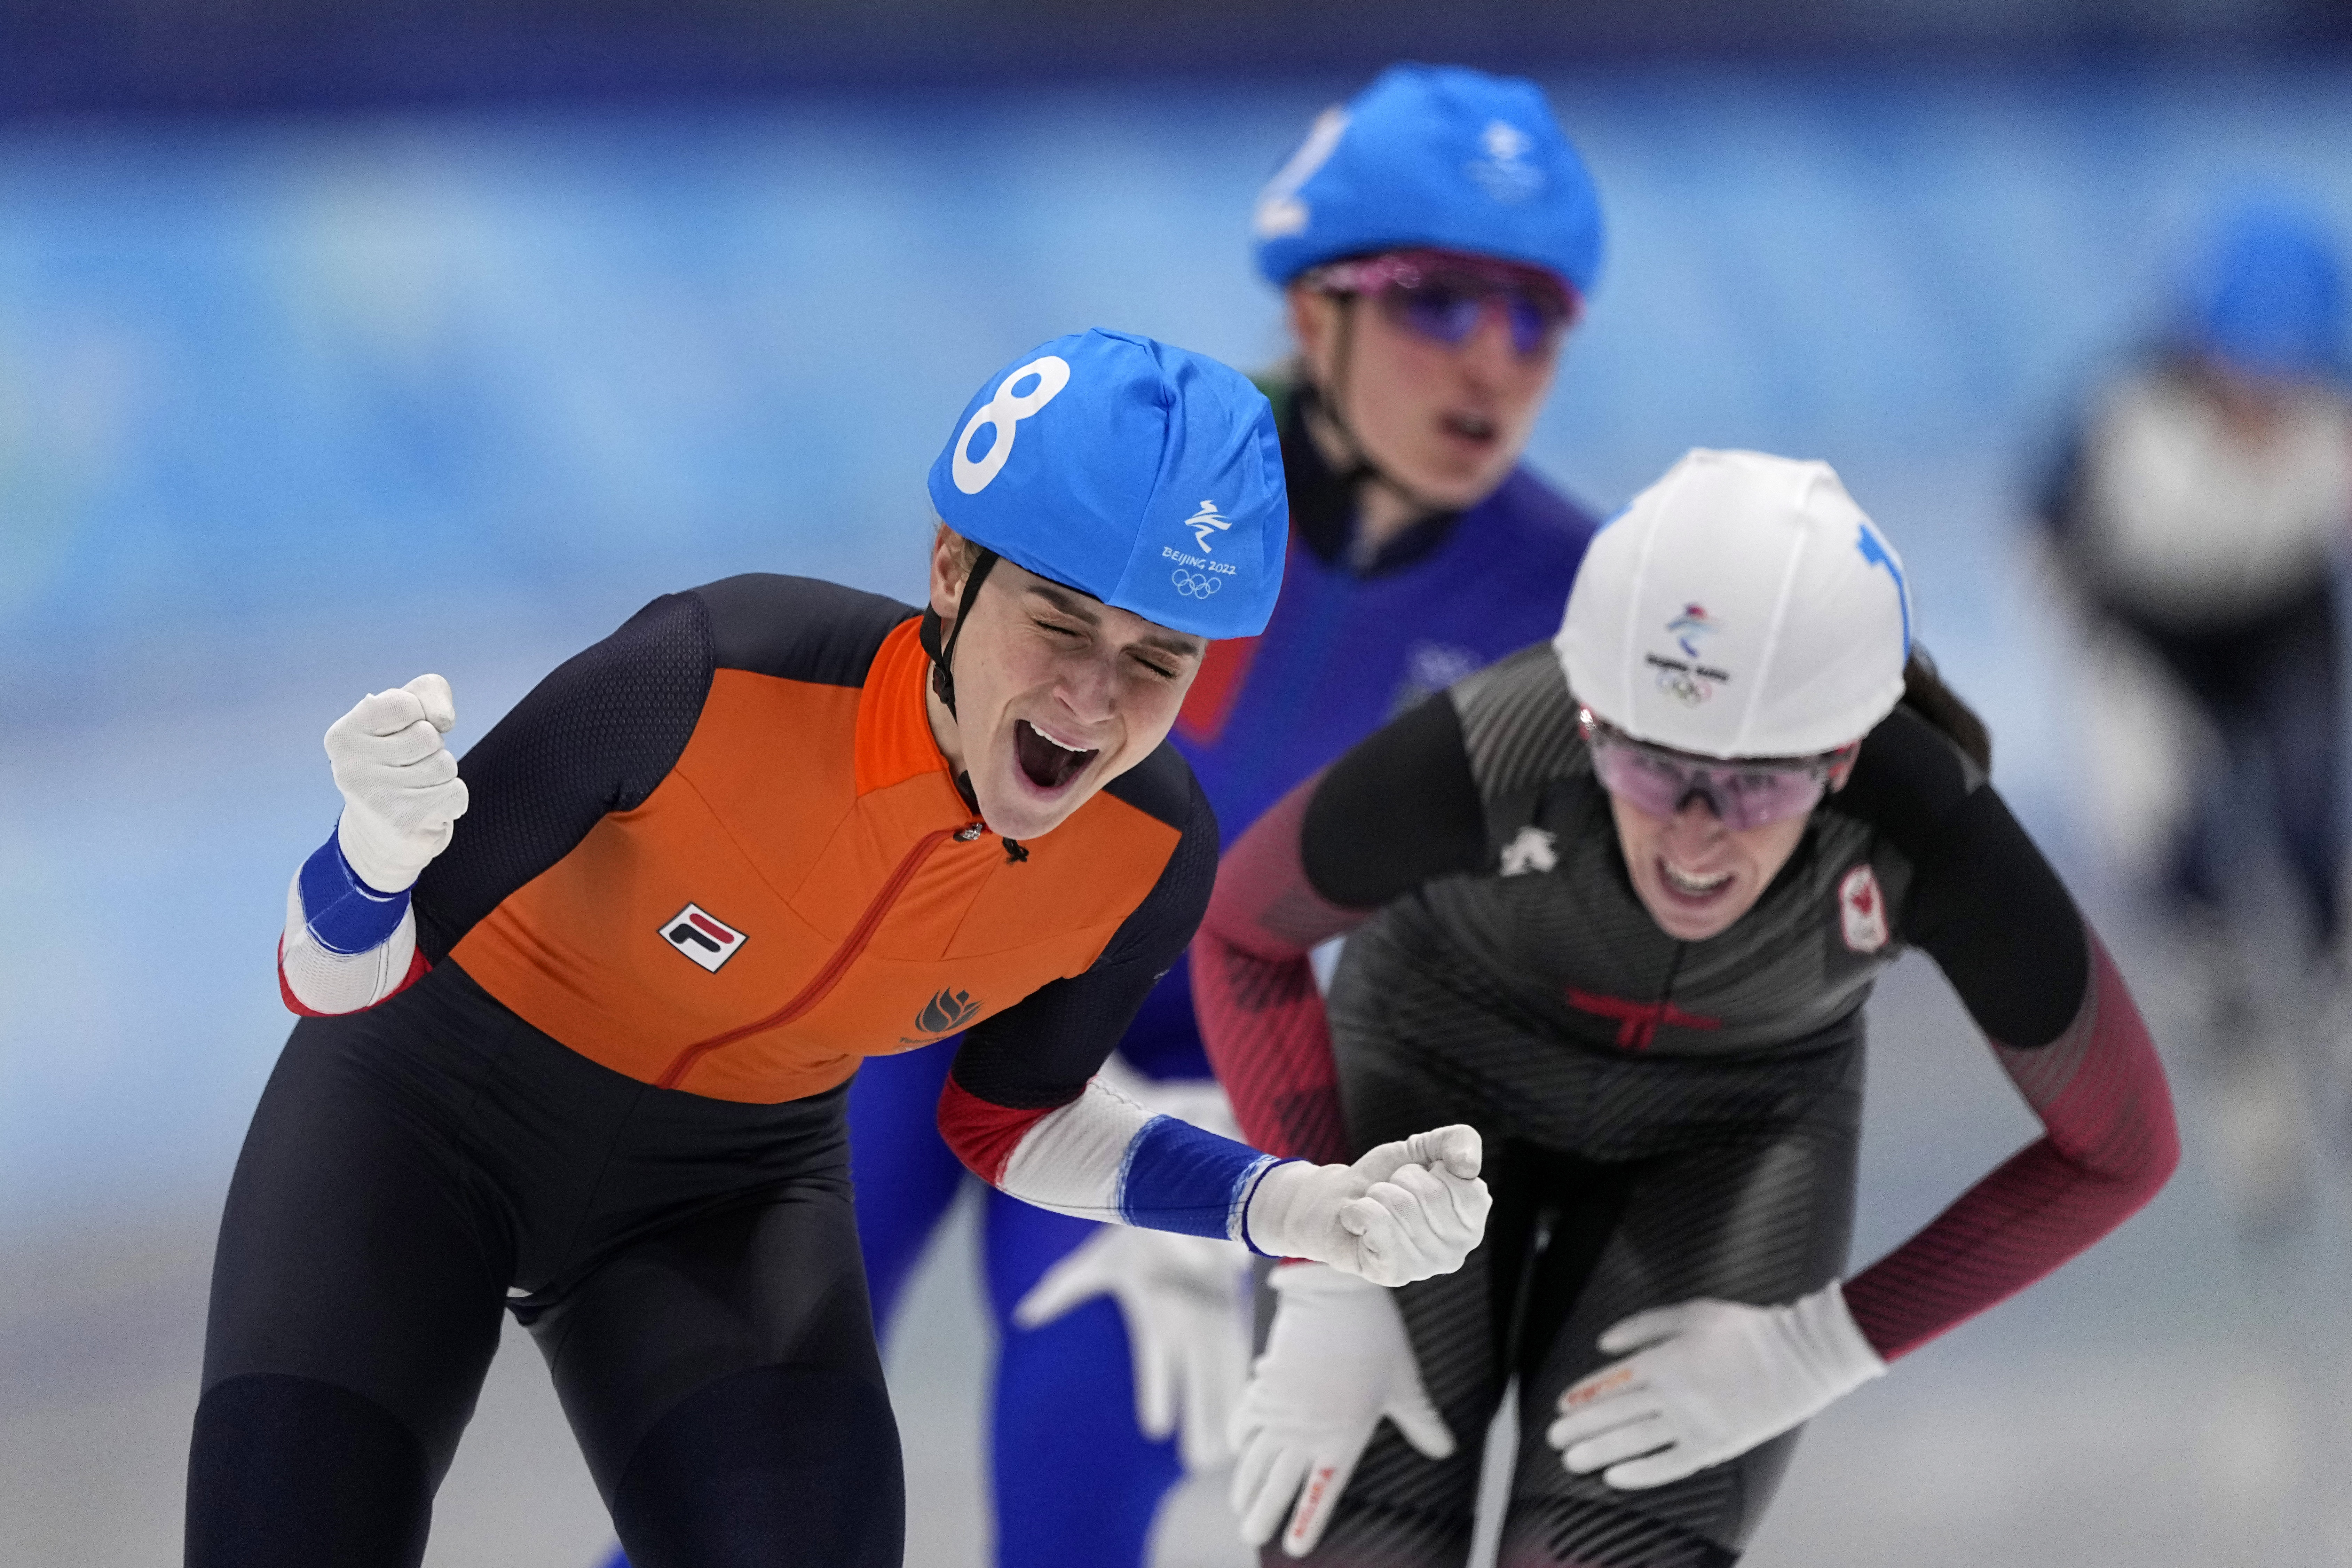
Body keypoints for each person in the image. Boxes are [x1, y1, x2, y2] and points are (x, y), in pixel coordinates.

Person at [189, 329, 1497, 1568]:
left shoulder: (1149, 853)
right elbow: (333, 978)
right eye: (1057, 621)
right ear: (950, 572)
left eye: (1157, 659)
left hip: (723, 1195)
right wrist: (371, 857)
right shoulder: (711, 672)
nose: (1092, 702)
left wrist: (1291, 1206)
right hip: (420, 1127)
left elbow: (1012, 1123)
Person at [839, 64, 1605, 1568]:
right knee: (733, 1500)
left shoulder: (1563, 600)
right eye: (1440, 300)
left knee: (1092, 1467)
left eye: (1538, 315)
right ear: (1316, 307)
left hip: (1186, 1078)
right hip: (918, 993)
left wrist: (1299, 1209)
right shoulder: (1145, 455)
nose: (1495, 360)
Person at [1194, 448, 2180, 1565]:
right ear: (1592, 716)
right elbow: (1239, 931)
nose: (1699, 833)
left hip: (1730, 1139)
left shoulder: (1930, 826)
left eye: (1761, 781)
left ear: (1847, 751)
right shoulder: (1505, 742)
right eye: (1655, 769)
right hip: (1437, 1075)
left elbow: (2123, 1148)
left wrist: (1825, 1344)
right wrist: (1318, 1268)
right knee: (1356, 1546)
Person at [2035, 194, 2351, 1228]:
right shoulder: (2120, 425)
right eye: (2241, 371)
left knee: (2318, 837)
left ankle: (2340, 1021)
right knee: (2185, 861)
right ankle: (2248, 1076)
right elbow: (2047, 553)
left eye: (2285, 371)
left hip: (2284, 630)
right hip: (2145, 638)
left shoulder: (2333, 419)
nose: (2262, 400)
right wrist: (2111, 706)